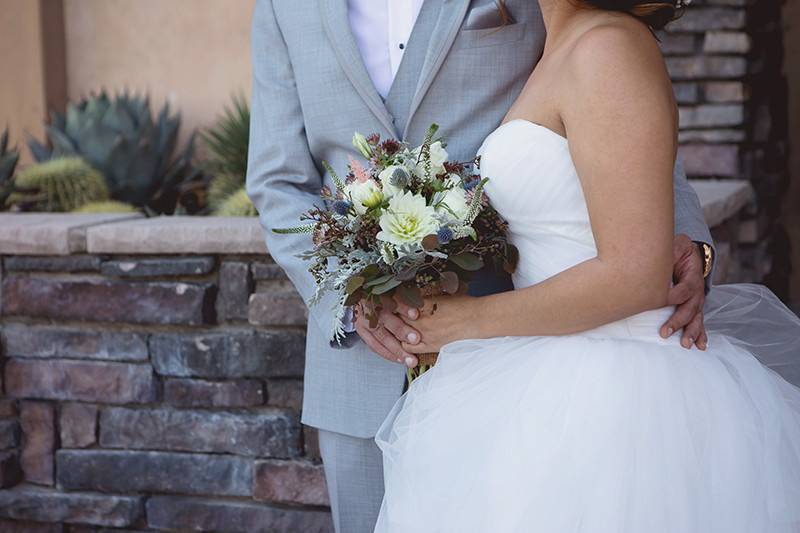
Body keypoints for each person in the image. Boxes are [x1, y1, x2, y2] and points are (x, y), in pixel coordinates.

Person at [246, 1, 715, 531]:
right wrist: (349, 301)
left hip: (527, 354)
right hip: (358, 372)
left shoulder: (567, 14)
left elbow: (628, 106)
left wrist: (686, 243)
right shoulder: (283, 8)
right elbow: (279, 182)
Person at [372, 1, 800, 531]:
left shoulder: (608, 47)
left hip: (620, 400)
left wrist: (464, 322)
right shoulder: (554, 49)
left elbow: (634, 274)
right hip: (541, 380)